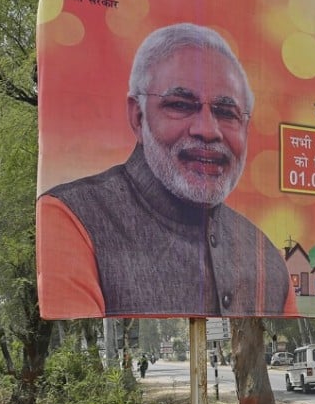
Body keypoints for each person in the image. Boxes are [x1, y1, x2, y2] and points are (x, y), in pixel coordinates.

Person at [37, 23, 299, 318]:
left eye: (226, 113)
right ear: (138, 117)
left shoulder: (267, 260)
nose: (207, 130)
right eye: (180, 105)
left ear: (246, 130)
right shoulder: (73, 218)